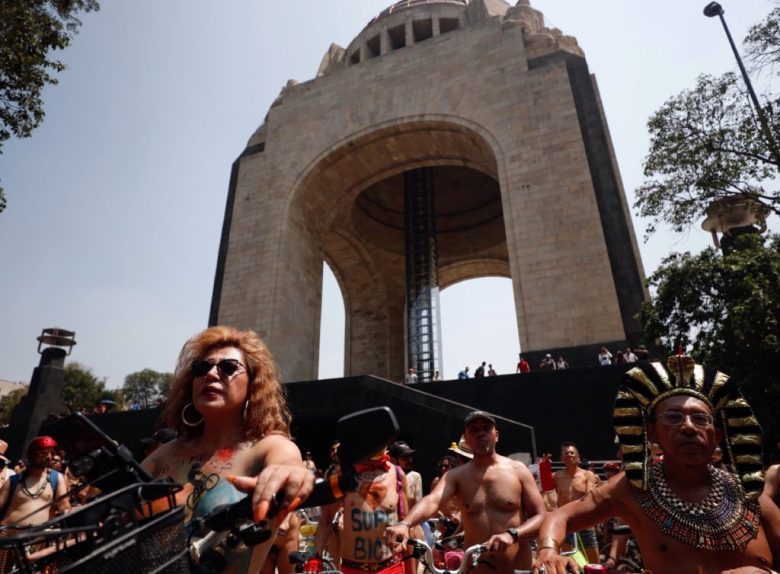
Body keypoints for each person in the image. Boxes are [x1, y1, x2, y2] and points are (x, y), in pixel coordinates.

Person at [532, 355, 780, 573]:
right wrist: (547, 551)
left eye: (700, 418)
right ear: (651, 433)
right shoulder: (633, 489)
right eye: (673, 417)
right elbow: (562, 516)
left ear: (716, 436)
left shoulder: (748, 495)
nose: (689, 427)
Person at [142, 326, 314, 573]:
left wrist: (293, 475)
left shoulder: (268, 448)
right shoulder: (162, 456)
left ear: (253, 383)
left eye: (228, 368)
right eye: (202, 368)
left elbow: (288, 466)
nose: (211, 374)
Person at [386, 411, 546, 572]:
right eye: (474, 429)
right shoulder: (456, 476)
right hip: (475, 570)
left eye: (486, 428)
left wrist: (512, 535)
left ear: (496, 435)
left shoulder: (518, 471)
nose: (480, 433)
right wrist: (405, 524)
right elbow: (432, 500)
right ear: (466, 438)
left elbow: (540, 516)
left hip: (517, 569)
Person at [311, 447, 408, 574]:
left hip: (391, 567)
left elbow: (406, 522)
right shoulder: (341, 474)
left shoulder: (397, 473)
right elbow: (326, 520)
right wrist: (316, 557)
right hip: (353, 569)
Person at [0, 436, 69, 527]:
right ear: (32, 454)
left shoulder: (57, 478)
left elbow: (64, 506)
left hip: (37, 539)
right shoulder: (14, 480)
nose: (49, 457)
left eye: (52, 453)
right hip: (8, 537)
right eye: (43, 453)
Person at [551, 442, 600, 564]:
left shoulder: (587, 475)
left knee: (594, 564)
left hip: (585, 521)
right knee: (570, 562)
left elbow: (590, 496)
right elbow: (547, 496)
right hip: (565, 525)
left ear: (578, 457)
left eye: (572, 453)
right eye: (566, 453)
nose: (569, 455)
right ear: (561, 458)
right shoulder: (555, 476)